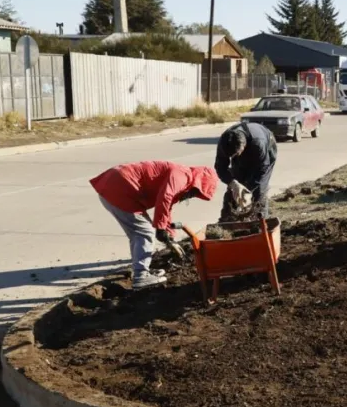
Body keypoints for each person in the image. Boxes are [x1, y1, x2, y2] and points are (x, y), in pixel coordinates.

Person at [90, 161, 218, 289]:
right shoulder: (182, 176)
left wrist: (170, 239)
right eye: (195, 193)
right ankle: (141, 276)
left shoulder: (183, 178)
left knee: (138, 234)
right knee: (145, 232)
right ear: (198, 182)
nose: (192, 196)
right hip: (120, 187)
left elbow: (166, 208)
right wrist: (160, 229)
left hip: (115, 186)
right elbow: (165, 198)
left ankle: (141, 271)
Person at [215, 121, 278, 222]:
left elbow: (262, 171)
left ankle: (259, 221)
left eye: (236, 154)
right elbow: (220, 167)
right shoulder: (224, 142)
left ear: (243, 146)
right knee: (234, 190)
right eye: (231, 156)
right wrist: (232, 183)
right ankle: (227, 220)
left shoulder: (258, 143)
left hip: (267, 147)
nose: (233, 157)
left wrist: (250, 191)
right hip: (244, 150)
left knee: (259, 191)